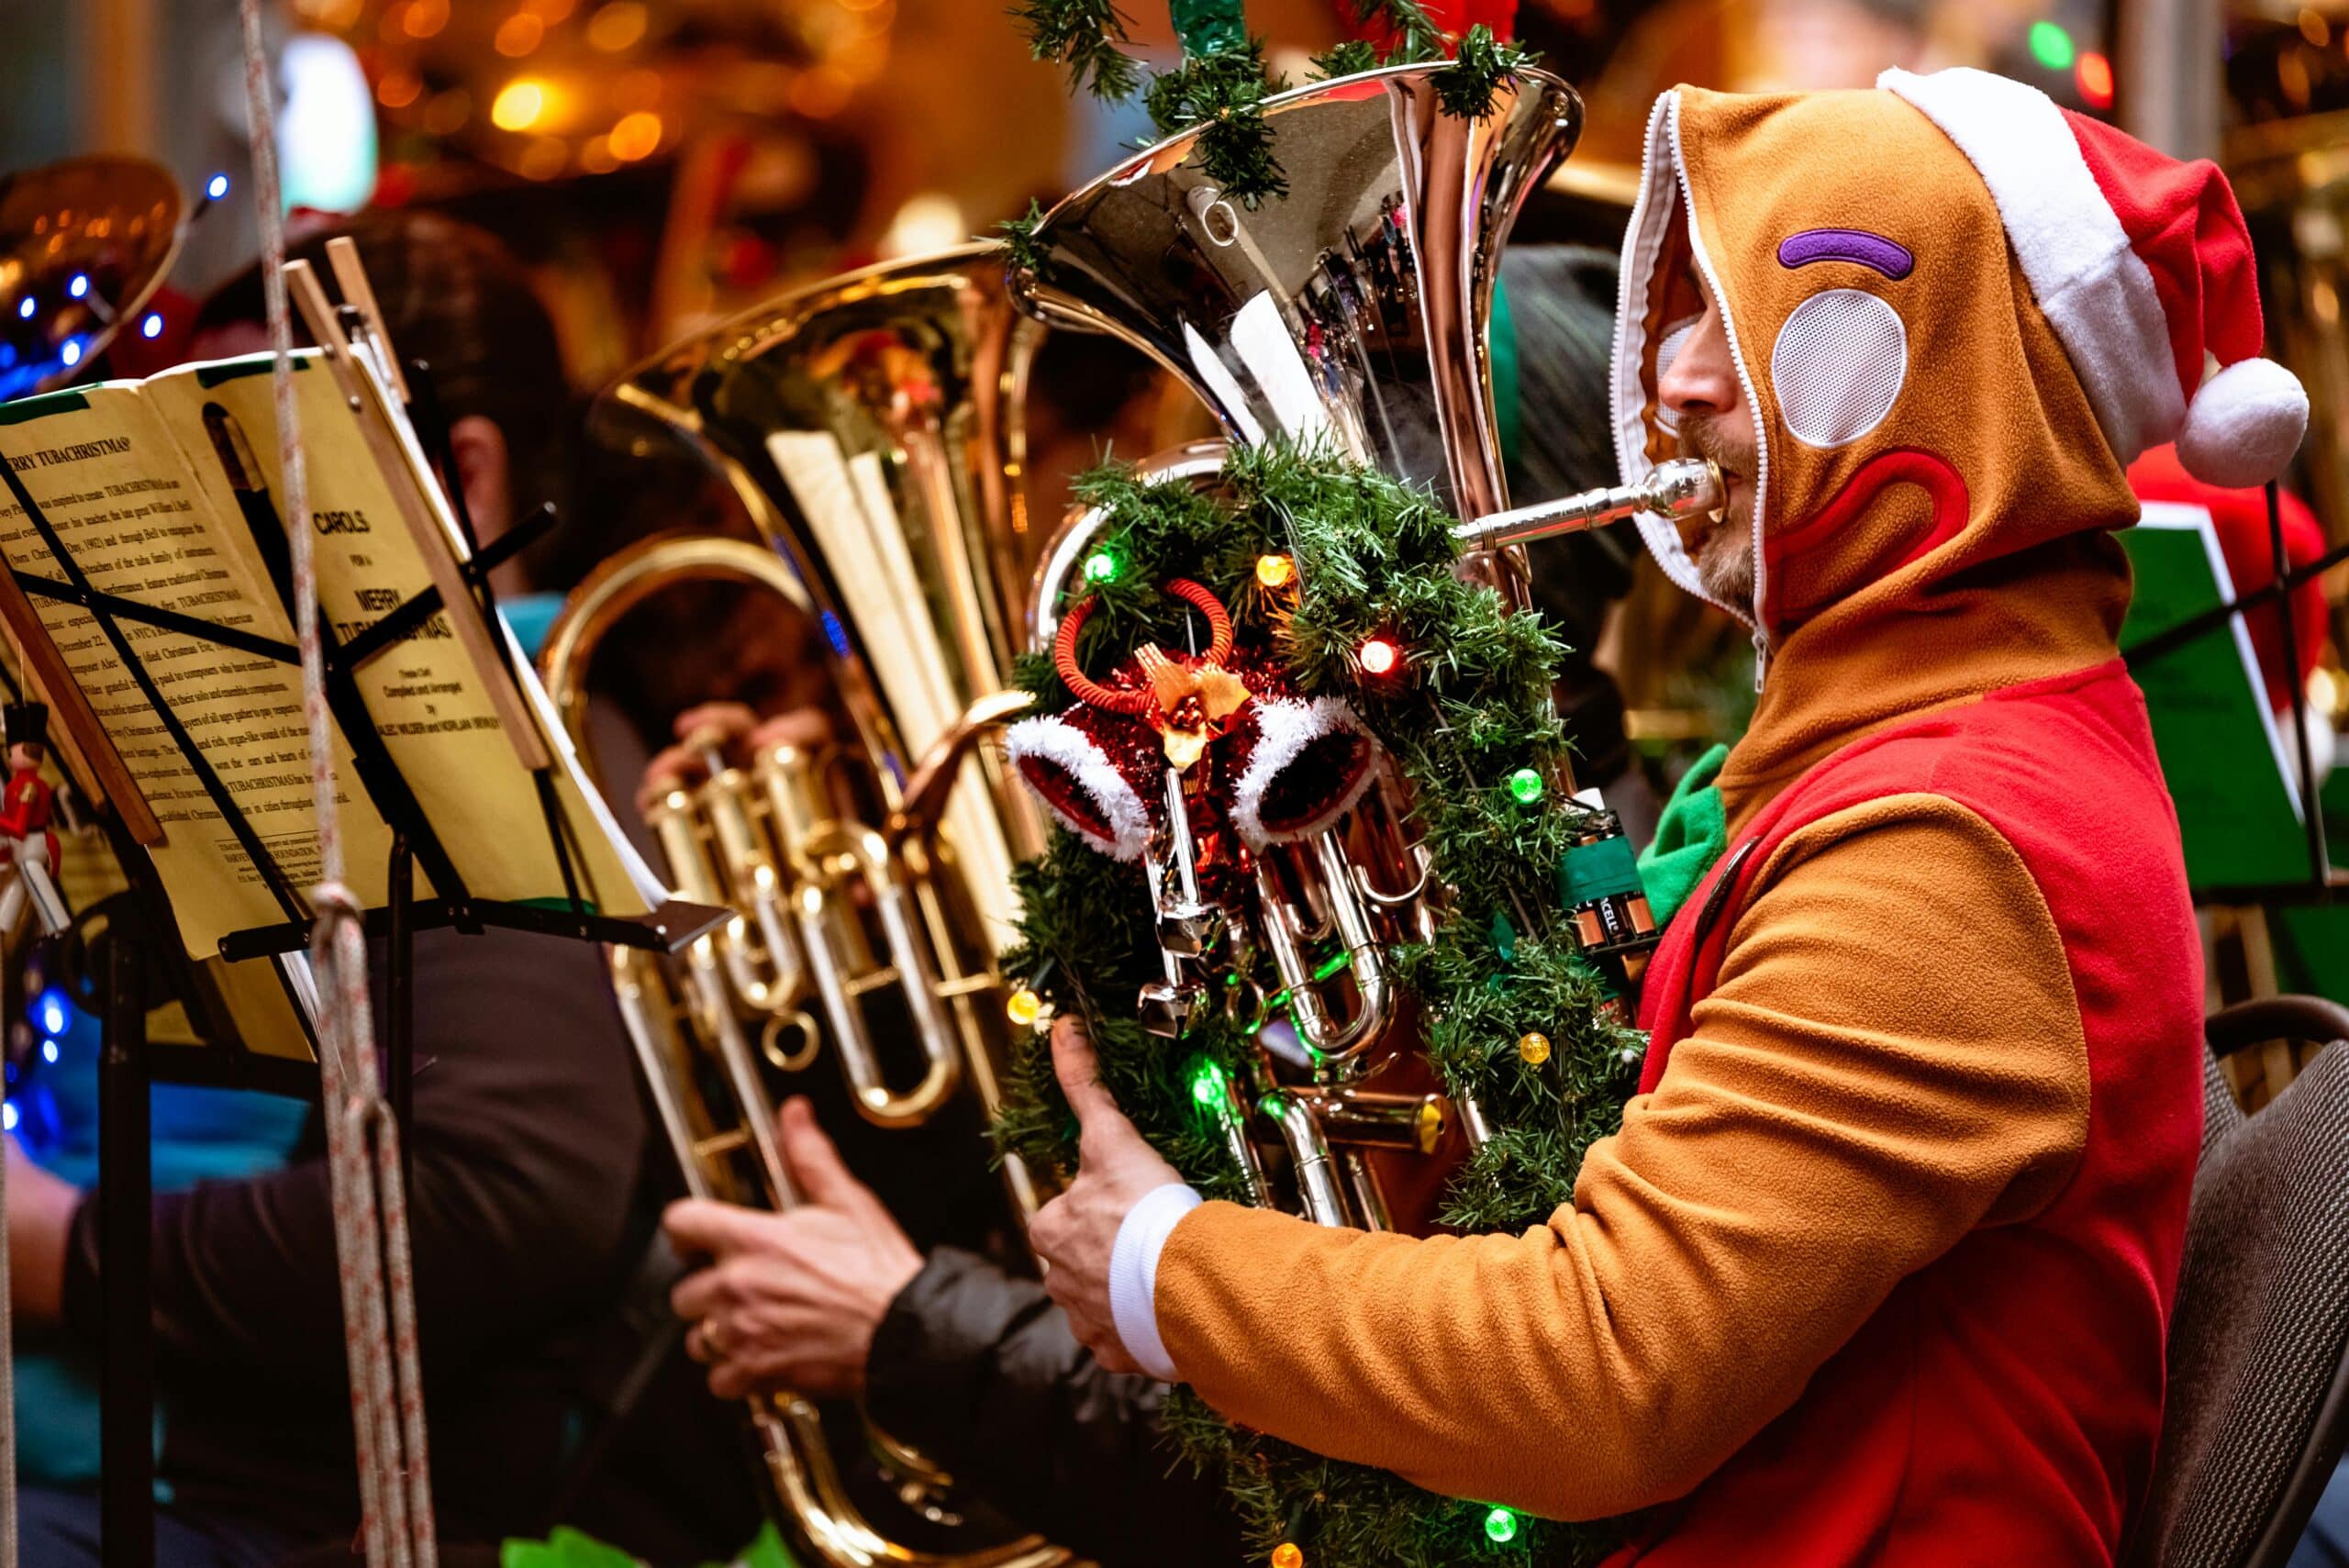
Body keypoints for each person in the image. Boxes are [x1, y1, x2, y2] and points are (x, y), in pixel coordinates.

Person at [1023, 66, 2305, 1564]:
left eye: (1748, 315)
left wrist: (1160, 1269)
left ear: (1937, 373)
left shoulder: (1946, 840)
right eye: (1679, 316)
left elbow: (1601, 1371)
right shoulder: (1894, 750)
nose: (1674, 384)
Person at [652, 239, 1639, 1565]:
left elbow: (1311, 1478)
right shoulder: (1289, 855)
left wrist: (910, 1323)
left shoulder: (1514, 925)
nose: (1210, 590)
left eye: (1279, 510)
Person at [6, 210, 662, 1565]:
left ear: (464, 481)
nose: (188, 543)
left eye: (241, 477)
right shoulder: (288, 734)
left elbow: (504, 1190)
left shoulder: (500, 746)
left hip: (255, 1506)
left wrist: (55, 1243)